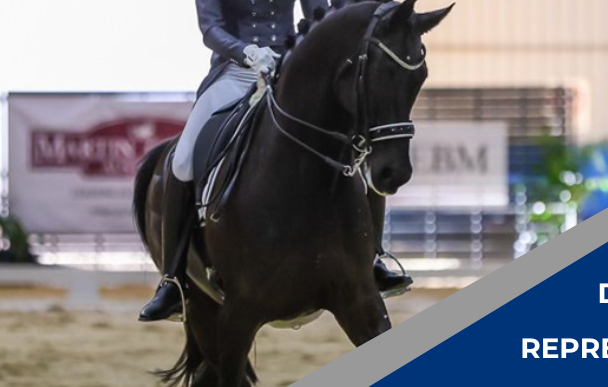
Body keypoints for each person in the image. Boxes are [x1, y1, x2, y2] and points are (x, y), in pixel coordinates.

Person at [140, 0, 412, 321]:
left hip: (292, 68)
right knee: (183, 159)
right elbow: (211, 29)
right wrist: (246, 53)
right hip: (235, 71)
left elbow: (320, 14)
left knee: (357, 146)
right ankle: (173, 280)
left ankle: (372, 260)